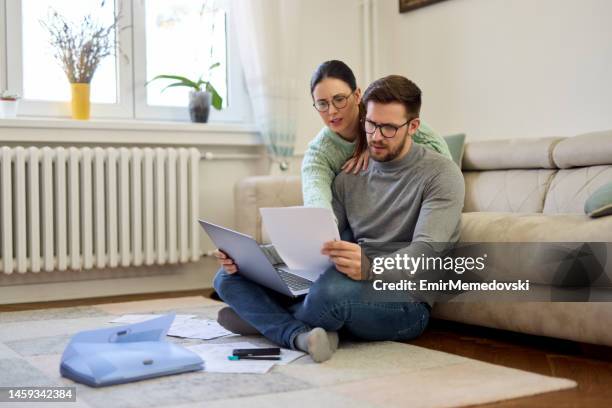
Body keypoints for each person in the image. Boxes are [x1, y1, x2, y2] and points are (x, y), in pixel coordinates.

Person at [213, 75, 464, 363]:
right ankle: (300, 334)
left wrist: (370, 268)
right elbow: (321, 244)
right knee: (227, 278)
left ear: (413, 127)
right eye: (371, 125)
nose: (377, 136)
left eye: (390, 128)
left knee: (330, 294)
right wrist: (252, 257)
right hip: (346, 278)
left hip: (405, 301)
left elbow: (427, 253)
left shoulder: (441, 174)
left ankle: (267, 322)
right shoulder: (349, 176)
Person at [302, 59, 452, 211]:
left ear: (357, 95)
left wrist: (376, 151)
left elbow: (441, 155)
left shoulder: (384, 114)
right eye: (322, 103)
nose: (331, 111)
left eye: (339, 99)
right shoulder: (319, 153)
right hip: (360, 218)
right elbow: (315, 199)